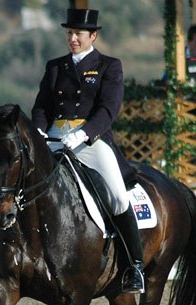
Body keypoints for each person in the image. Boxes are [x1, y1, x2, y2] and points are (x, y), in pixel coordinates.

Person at [31, 8, 144, 294]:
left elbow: (109, 108)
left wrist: (83, 133)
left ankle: (135, 267)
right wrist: (41, 132)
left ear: (92, 35)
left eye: (78, 34)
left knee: (118, 197)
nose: (72, 38)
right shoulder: (55, 66)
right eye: (69, 33)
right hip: (55, 137)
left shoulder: (109, 65)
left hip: (91, 141)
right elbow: (42, 105)